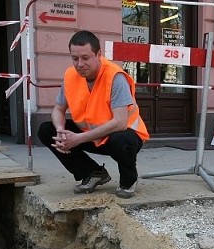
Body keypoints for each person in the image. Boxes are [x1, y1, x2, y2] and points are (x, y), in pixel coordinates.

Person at [37, 30, 149, 198]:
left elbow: (120, 122)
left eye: (85, 58)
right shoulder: (70, 76)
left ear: (98, 55)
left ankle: (128, 180)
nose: (80, 64)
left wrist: (78, 139)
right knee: (47, 130)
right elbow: (58, 109)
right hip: (91, 135)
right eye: (75, 59)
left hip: (120, 136)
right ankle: (92, 173)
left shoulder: (114, 76)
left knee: (122, 139)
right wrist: (61, 131)